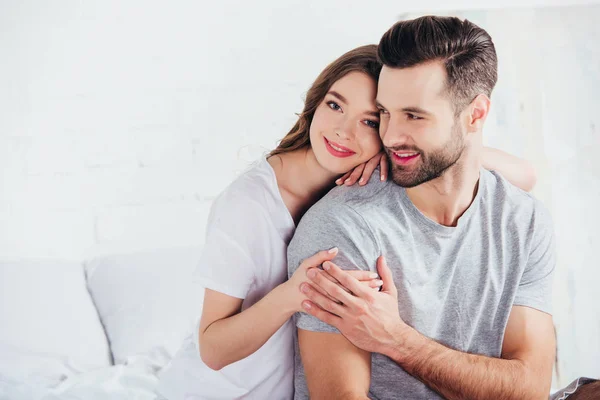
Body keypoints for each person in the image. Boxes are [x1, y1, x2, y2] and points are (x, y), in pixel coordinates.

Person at [157, 44, 537, 399]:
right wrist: (294, 294)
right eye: (335, 106)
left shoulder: (361, 180)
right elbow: (212, 348)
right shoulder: (249, 205)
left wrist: (420, 151)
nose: (343, 131)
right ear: (315, 102)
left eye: (370, 122)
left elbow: (523, 177)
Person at [288, 16, 556, 400]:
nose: (391, 136)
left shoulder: (523, 220)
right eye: (384, 113)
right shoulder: (343, 225)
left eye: (414, 116)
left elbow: (529, 388)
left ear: (475, 114)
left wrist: (398, 340)